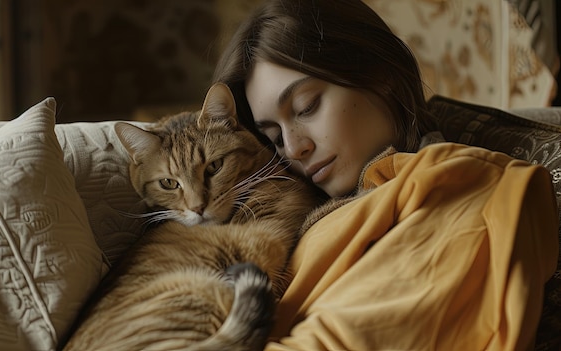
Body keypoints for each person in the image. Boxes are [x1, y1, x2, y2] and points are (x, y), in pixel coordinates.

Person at [212, 0, 559, 350]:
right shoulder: (308, 214)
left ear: (381, 75)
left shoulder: (462, 187)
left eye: (306, 107)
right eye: (273, 137)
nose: (293, 148)